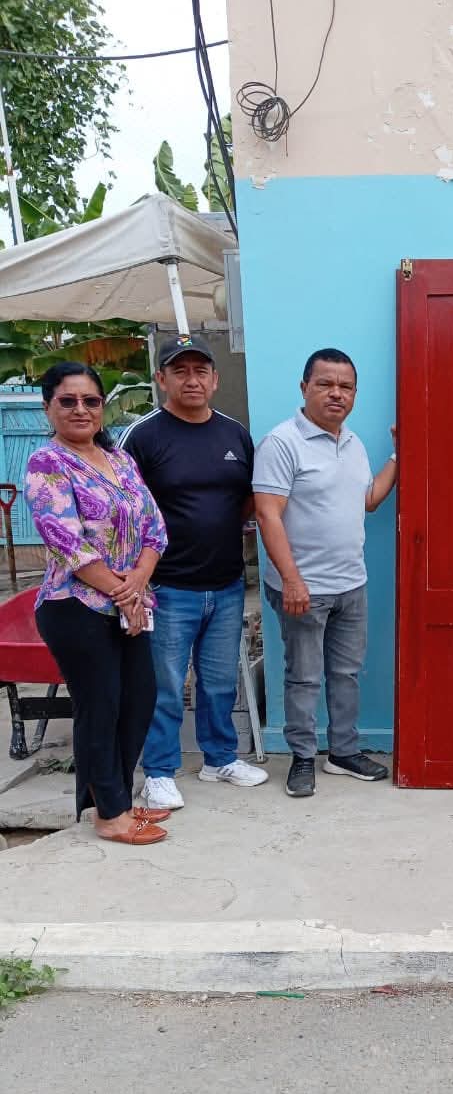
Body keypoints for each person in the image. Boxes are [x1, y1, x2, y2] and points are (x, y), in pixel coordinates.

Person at [118, 335, 268, 811]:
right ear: (161, 379)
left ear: (215, 379)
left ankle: (219, 758)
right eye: (179, 371)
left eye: (200, 371)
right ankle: (159, 771)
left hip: (226, 584)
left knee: (219, 682)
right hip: (166, 587)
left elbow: (247, 499)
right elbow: (122, 512)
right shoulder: (142, 436)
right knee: (165, 687)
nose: (192, 380)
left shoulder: (234, 434)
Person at [25, 363, 170, 844]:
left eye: (90, 400)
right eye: (67, 401)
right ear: (48, 407)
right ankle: (109, 814)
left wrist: (138, 582)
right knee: (100, 706)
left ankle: (116, 800)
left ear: (102, 406)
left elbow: (155, 528)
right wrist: (124, 593)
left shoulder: (119, 459)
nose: (80, 409)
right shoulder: (48, 463)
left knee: (138, 700)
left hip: (130, 600)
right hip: (76, 606)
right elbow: (68, 542)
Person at [253, 347, 397, 798]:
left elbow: (368, 500)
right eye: (325, 384)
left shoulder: (352, 444)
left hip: (351, 583)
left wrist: (400, 455)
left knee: (346, 674)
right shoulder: (282, 443)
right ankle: (301, 757)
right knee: (304, 677)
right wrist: (292, 580)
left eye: (346, 386)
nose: (336, 393)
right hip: (303, 588)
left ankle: (343, 752)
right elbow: (267, 514)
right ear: (304, 388)